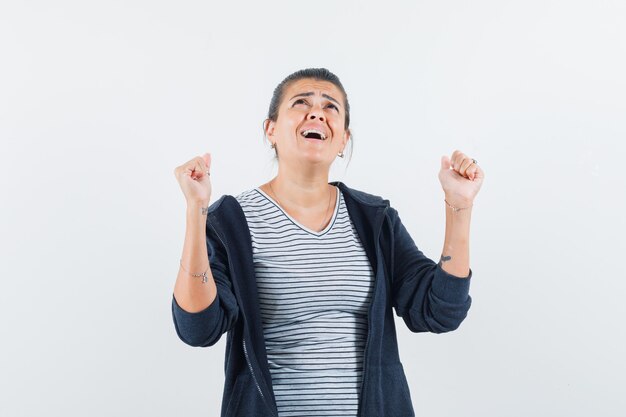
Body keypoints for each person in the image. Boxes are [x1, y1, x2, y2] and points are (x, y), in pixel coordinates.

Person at [171, 68, 484, 417]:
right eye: (301, 102)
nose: (317, 112)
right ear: (270, 130)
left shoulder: (374, 218)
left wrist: (460, 206)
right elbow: (197, 327)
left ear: (343, 140)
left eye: (331, 106)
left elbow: (440, 311)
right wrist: (196, 211)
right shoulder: (231, 221)